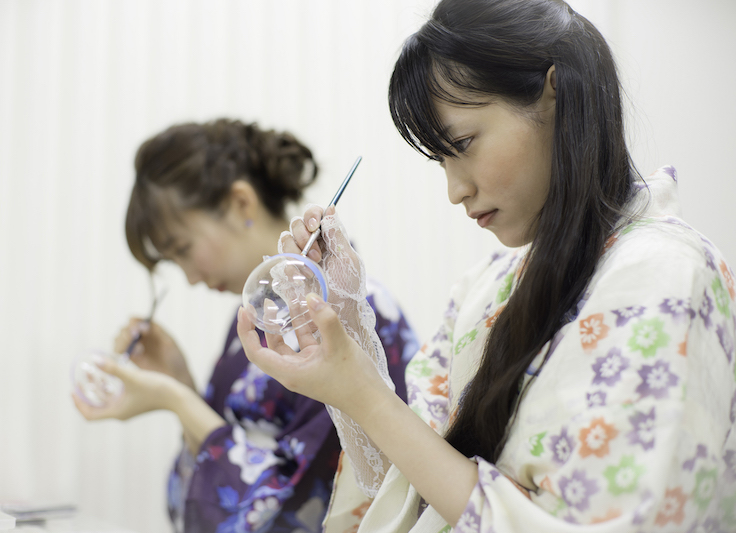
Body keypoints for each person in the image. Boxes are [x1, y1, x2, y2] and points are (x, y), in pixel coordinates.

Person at [235, 0, 736, 531]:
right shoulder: (482, 290)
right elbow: (411, 494)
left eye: (465, 144)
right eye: (442, 160)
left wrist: (361, 390)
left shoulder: (665, 273)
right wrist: (349, 332)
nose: (456, 190)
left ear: (556, 90)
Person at [72, 119, 420, 532]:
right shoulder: (259, 319)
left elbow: (307, 500)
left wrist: (176, 400)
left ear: (241, 203)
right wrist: (181, 385)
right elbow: (206, 484)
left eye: (183, 249)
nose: (189, 278)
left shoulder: (353, 317)